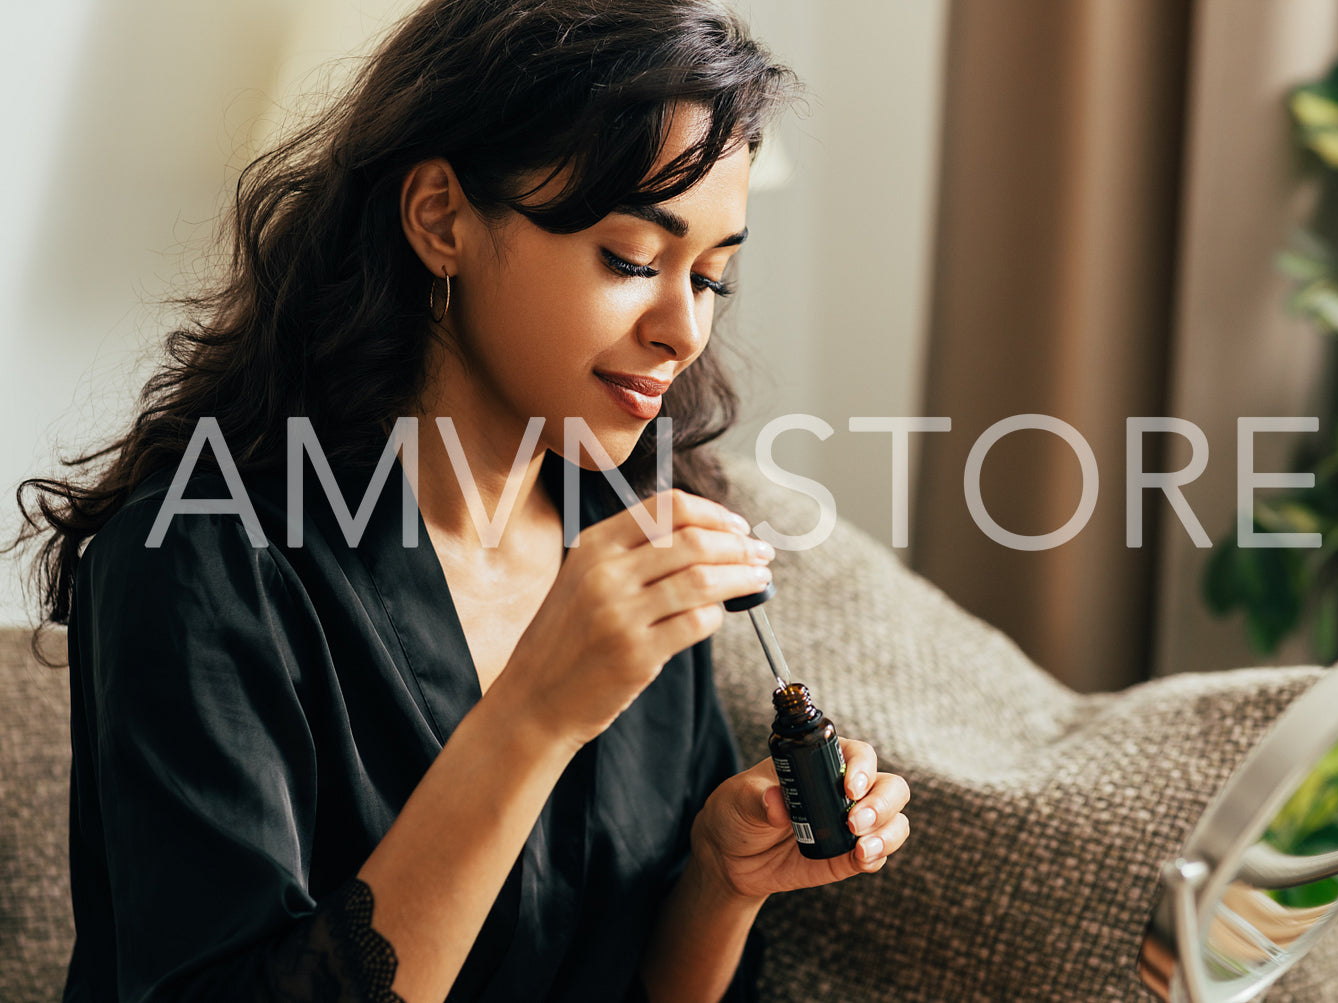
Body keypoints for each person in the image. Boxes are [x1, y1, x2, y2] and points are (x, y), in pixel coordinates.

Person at [12, 1, 912, 1001]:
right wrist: (530, 714)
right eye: (629, 259)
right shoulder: (202, 561)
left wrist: (719, 883)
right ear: (440, 216)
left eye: (711, 278)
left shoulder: (627, 539)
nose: (681, 330)